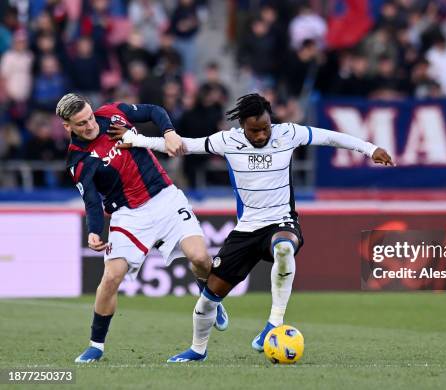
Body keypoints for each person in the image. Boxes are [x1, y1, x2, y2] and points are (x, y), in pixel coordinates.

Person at [110, 93, 394, 362]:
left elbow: (330, 137)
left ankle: (274, 323)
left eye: (265, 128)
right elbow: (185, 145)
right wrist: (137, 140)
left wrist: (370, 149)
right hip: (246, 229)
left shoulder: (288, 133)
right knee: (209, 299)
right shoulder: (226, 141)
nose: (261, 135)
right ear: (242, 126)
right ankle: (197, 350)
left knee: (284, 248)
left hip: (281, 221)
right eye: (254, 130)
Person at [56, 93, 228, 363]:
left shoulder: (112, 114)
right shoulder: (78, 161)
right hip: (128, 215)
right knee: (111, 277)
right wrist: (93, 230)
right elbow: (91, 201)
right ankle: (95, 346)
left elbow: (154, 110)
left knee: (200, 258)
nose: (90, 125)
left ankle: (210, 298)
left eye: (89, 117)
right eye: (80, 124)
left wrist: (169, 132)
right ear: (67, 127)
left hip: (165, 198)